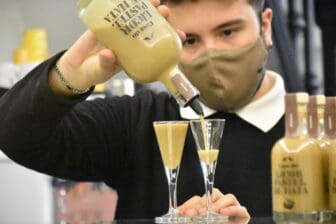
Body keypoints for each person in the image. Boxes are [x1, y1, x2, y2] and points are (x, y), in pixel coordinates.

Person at [0, 0, 285, 219]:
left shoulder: (316, 133)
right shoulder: (136, 122)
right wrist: (70, 76)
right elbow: (16, 135)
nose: (212, 54)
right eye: (191, 41)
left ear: (266, 26)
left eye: (229, 32)